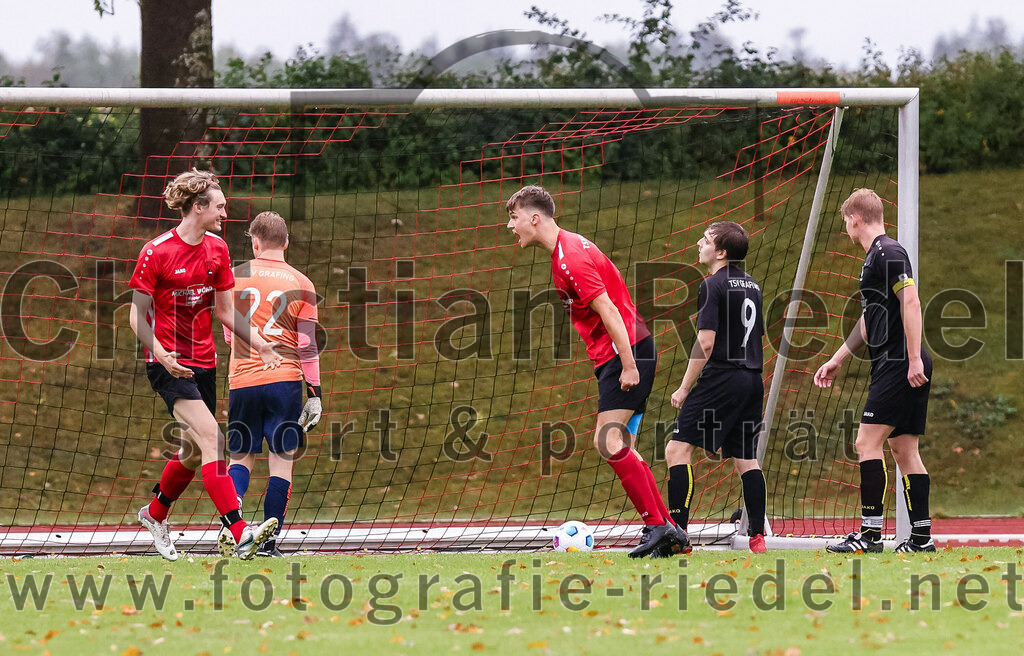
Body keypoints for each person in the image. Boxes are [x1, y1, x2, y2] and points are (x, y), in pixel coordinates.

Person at [506, 185, 685, 558]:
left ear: (534, 218)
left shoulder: (570, 256)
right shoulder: (567, 249)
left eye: (514, 217)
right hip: (623, 352)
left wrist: (629, 364)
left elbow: (609, 310)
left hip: (626, 353)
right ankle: (670, 532)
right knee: (625, 447)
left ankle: (657, 526)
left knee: (608, 442)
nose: (511, 225)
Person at [129, 168, 282, 561]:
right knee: (214, 439)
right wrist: (159, 351)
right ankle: (240, 531)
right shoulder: (156, 251)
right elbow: (136, 316)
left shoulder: (217, 249)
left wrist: (261, 344)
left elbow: (226, 312)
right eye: (219, 206)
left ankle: (155, 514)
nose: (225, 213)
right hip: (168, 363)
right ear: (197, 207)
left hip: (204, 363)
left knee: (193, 453)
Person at [815, 189, 934, 554]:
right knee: (903, 449)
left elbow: (910, 300)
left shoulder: (889, 252)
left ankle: (869, 536)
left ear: (855, 218)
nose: (845, 228)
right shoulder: (873, 259)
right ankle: (921, 539)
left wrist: (913, 358)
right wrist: (838, 358)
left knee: (867, 443)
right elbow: (870, 320)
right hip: (895, 360)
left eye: (845, 221)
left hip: (900, 361)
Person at [219, 211, 323, 558]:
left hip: (243, 378)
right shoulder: (302, 282)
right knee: (281, 461)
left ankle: (234, 526)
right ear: (287, 243)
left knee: (241, 457)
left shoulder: (235, 276)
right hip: (285, 380)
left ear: (255, 241)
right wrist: (316, 393)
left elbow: (227, 332)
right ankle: (268, 545)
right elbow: (307, 346)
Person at [666, 221, 769, 554]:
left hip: (723, 377)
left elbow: (706, 343)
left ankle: (677, 536)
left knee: (677, 450)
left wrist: (684, 388)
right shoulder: (752, 285)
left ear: (721, 252)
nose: (700, 243)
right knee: (746, 459)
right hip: (752, 379)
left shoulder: (711, 284)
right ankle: (757, 537)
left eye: (706, 240)